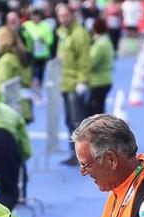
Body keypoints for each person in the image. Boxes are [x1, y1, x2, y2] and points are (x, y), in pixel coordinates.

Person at [55, 2, 90, 166]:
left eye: (65, 15)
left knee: (78, 122)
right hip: (65, 82)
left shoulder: (79, 34)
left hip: (75, 83)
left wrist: (82, 80)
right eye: (60, 16)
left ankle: (83, 156)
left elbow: (84, 60)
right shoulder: (63, 32)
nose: (62, 19)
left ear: (72, 15)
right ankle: (74, 153)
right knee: (70, 121)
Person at [0, 100, 31, 211]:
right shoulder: (13, 113)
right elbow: (25, 146)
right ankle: (2, 215)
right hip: (4, 139)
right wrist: (22, 159)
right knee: (9, 186)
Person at [0, 25, 32, 122]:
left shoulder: (6, 60)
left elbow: (0, 84)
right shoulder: (20, 56)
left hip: (9, 110)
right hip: (23, 106)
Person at [23, 8, 54, 91]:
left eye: (37, 16)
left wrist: (44, 40)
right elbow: (22, 36)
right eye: (34, 15)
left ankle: (38, 90)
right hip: (31, 54)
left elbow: (50, 40)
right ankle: (33, 89)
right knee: (33, 74)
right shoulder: (26, 25)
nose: (35, 18)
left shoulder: (45, 26)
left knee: (40, 74)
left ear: (40, 16)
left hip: (42, 55)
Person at [88, 17, 114, 116]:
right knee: (99, 109)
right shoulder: (107, 41)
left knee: (94, 112)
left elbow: (91, 62)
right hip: (105, 79)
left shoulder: (99, 44)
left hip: (98, 81)